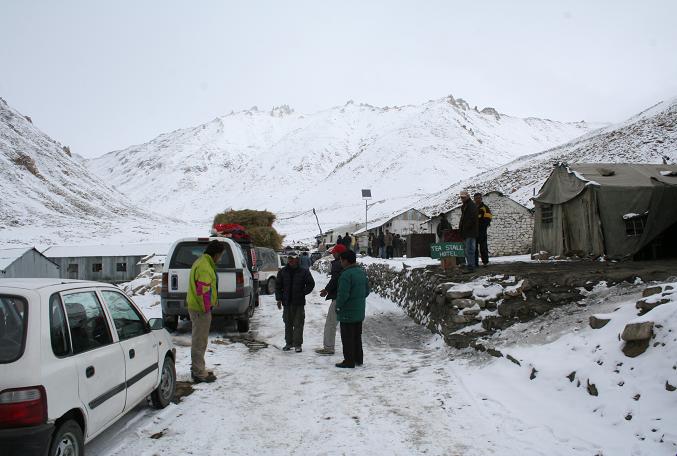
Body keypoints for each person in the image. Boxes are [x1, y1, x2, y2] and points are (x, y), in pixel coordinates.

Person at [187, 240, 224, 383]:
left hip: (197, 307)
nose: (220, 258)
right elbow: (203, 291)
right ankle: (198, 373)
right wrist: (207, 308)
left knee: (199, 340)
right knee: (199, 341)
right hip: (200, 309)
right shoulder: (205, 267)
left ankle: (198, 368)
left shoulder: (202, 262)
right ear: (215, 254)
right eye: (220, 255)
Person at [335, 250, 370, 368]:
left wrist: (338, 306)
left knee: (347, 338)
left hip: (347, 312)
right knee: (356, 336)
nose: (340, 263)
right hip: (359, 311)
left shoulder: (346, 275)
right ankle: (358, 359)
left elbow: (343, 295)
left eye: (341, 260)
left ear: (346, 261)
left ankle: (349, 361)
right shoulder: (361, 272)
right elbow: (366, 291)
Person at [275, 252, 315, 352]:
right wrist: (279, 299)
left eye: (293, 259)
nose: (291, 261)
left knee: (298, 323)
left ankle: (297, 344)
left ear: (297, 259)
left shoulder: (304, 271)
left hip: (299, 302)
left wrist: (303, 293)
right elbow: (278, 286)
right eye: (289, 259)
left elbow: (311, 284)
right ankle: (288, 343)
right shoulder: (283, 271)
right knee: (287, 323)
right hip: (287, 302)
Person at [315, 244, 347, 355]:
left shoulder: (338, 264)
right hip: (347, 298)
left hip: (338, 298)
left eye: (334, 252)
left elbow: (335, 280)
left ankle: (328, 347)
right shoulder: (348, 264)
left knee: (330, 323)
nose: (333, 254)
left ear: (339, 253)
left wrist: (326, 290)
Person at [459, 190, 479, 273]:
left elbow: (472, 219)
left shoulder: (471, 206)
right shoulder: (465, 206)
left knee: (470, 249)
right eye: (461, 197)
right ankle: (470, 265)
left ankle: (471, 267)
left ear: (467, 196)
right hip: (466, 232)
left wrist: (466, 227)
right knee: (468, 250)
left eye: (463, 197)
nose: (462, 199)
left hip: (470, 232)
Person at [474, 193, 493, 266]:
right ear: (474, 199)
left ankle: (485, 262)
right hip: (473, 231)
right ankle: (475, 263)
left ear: (481, 199)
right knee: (474, 248)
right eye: (476, 198)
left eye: (479, 198)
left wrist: (483, 227)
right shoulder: (472, 208)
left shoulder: (485, 208)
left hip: (482, 231)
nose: (477, 200)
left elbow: (488, 219)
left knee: (483, 247)